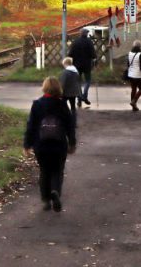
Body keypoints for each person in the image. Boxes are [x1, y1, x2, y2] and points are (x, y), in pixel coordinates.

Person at [23, 77, 77, 212]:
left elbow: (31, 126)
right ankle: (55, 191)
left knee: (44, 171)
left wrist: (27, 144)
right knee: (57, 171)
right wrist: (72, 142)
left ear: (45, 88)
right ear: (58, 89)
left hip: (41, 145)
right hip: (59, 144)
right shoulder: (62, 105)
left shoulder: (37, 104)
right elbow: (70, 125)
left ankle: (45, 200)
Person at [67, 28, 95, 106]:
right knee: (88, 81)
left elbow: (70, 54)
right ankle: (84, 96)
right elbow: (93, 54)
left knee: (78, 82)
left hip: (77, 65)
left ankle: (79, 99)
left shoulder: (75, 42)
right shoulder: (89, 42)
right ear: (86, 34)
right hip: (87, 65)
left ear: (80, 33)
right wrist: (94, 60)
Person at [59, 56, 81, 121]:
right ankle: (74, 120)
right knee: (73, 107)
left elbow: (63, 83)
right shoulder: (76, 71)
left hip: (65, 92)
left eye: (64, 65)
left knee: (62, 106)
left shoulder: (65, 72)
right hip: (74, 92)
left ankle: (64, 119)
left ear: (65, 64)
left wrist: (60, 91)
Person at [127, 40, 141, 111]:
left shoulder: (129, 53)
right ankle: (134, 101)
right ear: (140, 47)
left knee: (133, 89)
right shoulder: (140, 55)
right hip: (137, 74)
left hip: (131, 74)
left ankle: (133, 107)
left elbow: (128, 64)